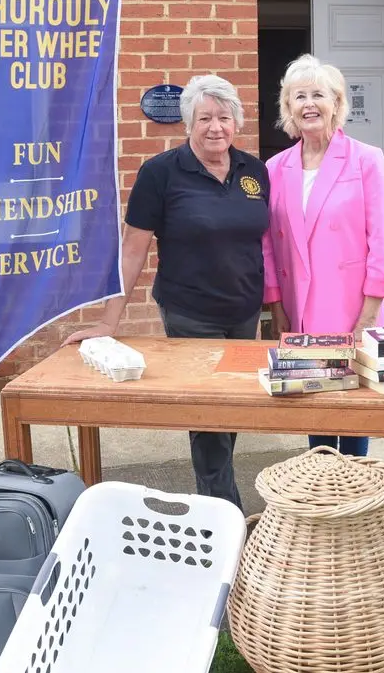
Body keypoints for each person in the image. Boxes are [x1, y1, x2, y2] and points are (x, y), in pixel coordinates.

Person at [66, 74, 269, 509]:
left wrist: (276, 307)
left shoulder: (254, 171)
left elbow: (260, 241)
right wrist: (108, 320)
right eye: (204, 118)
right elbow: (133, 249)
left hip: (244, 311)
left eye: (224, 117)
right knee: (209, 412)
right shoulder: (161, 173)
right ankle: (224, 514)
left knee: (229, 408)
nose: (216, 127)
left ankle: (218, 500)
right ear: (188, 124)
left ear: (237, 121)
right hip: (191, 312)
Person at [261, 54, 384, 457]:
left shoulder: (366, 160)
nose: (308, 104)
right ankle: (322, 487)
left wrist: (369, 318)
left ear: (337, 104)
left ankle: (354, 487)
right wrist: (277, 309)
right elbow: (268, 243)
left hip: (352, 310)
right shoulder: (275, 167)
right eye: (298, 96)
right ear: (288, 108)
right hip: (299, 309)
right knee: (315, 409)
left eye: (317, 94)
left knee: (353, 410)